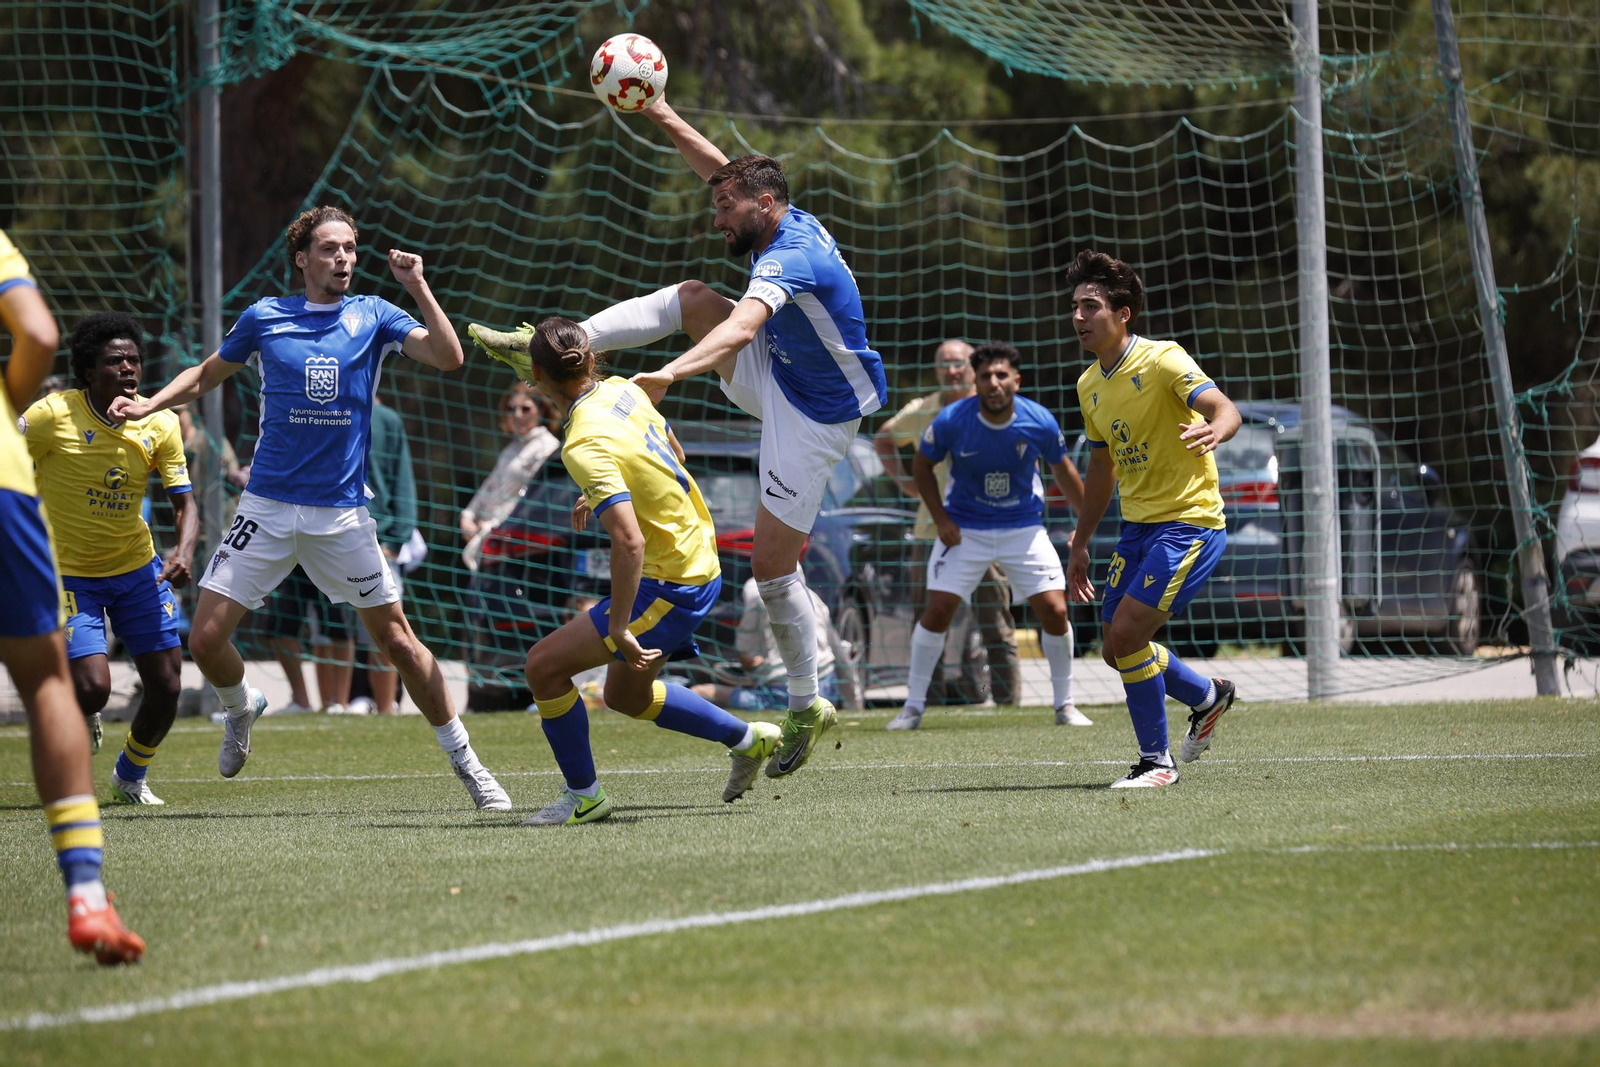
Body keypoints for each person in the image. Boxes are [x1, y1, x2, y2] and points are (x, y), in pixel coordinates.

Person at [472, 98, 886, 779]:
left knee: (773, 568)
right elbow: (719, 169)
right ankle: (544, 347)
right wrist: (658, 109)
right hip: (783, 375)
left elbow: (743, 327)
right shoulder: (773, 207)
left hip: (814, 416)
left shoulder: (793, 254)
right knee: (694, 294)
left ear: (764, 203)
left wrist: (669, 371)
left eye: (727, 206)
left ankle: (807, 704)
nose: (716, 216)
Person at [109, 205, 511, 811]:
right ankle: (242, 706)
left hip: (342, 516)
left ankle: (470, 764)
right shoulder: (265, 317)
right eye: (329, 249)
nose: (343, 258)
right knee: (206, 639)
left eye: (350, 247)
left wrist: (418, 285)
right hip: (266, 507)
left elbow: (449, 356)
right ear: (302, 259)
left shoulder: (374, 314)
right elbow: (204, 375)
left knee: (398, 643)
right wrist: (150, 405)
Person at [506, 317, 795, 823]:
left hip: (671, 580)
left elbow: (629, 540)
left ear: (535, 375)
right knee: (624, 694)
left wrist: (618, 625)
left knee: (543, 667)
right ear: (593, 359)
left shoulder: (580, 443)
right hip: (698, 559)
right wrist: (598, 490)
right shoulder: (622, 391)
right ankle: (749, 740)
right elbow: (669, 453)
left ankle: (584, 797)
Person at [0, 228, 144, 962]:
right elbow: (37, 332)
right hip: (6, 485)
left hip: (126, 571)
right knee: (53, 682)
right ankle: (86, 895)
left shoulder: (153, 425)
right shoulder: (52, 415)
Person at [1063, 250, 1242, 788]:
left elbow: (1224, 407)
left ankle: (1156, 764)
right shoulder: (1088, 385)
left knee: (1128, 633)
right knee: (1116, 650)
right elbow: (1101, 466)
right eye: (1073, 306)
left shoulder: (1163, 359)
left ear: (1124, 314)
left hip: (1190, 521)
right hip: (1138, 528)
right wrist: (1081, 540)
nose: (1078, 317)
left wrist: (1217, 428)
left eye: (1090, 306)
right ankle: (1208, 696)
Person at [22, 312, 199, 804]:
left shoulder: (160, 422)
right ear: (87, 370)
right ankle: (79, 708)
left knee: (166, 685)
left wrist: (183, 551)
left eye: (135, 360)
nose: (128, 369)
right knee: (94, 688)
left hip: (137, 570)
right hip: (68, 575)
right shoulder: (51, 416)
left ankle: (130, 775)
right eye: (115, 360)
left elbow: (184, 503)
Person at [885, 342, 1089, 731]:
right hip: (966, 531)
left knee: (1056, 610)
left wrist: (1085, 527)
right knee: (937, 611)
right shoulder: (951, 420)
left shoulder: (1039, 420)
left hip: (1023, 530)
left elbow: (1063, 471)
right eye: (985, 377)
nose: (993, 383)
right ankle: (912, 708)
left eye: (1001, 375)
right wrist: (942, 519)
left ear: (1016, 380)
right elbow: (921, 466)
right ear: (975, 382)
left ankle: (1065, 705)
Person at [874, 338, 1023, 705]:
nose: (951, 370)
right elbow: (883, 439)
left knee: (995, 623)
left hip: (986, 534)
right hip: (931, 534)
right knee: (928, 625)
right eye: (944, 363)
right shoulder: (923, 411)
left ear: (973, 368)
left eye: (958, 362)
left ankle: (1008, 706)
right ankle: (926, 706)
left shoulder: (997, 409)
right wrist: (907, 483)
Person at [693, 571, 863, 713]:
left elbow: (747, 658)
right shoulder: (813, 598)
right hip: (827, 688)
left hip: (782, 694)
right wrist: (855, 704)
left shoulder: (756, 591)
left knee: (701, 692)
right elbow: (840, 657)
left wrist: (751, 664)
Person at [353, 394, 419, 715]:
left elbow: (403, 482)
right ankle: (344, 701)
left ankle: (387, 707)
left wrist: (395, 538)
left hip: (381, 543)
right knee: (344, 630)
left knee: (389, 630)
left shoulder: (388, 420)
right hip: (337, 538)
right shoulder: (329, 413)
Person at [460, 381, 559, 571]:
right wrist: (468, 515)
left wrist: (492, 525)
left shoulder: (548, 447)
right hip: (487, 538)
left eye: (525, 409)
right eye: (511, 408)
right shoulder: (512, 448)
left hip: (512, 543)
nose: (517, 415)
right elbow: (489, 487)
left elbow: (531, 497)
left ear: (542, 411)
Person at [263, 567, 354, 715]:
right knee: (278, 626)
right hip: (292, 564)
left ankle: (340, 703)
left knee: (339, 627)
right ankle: (301, 703)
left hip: (329, 561)